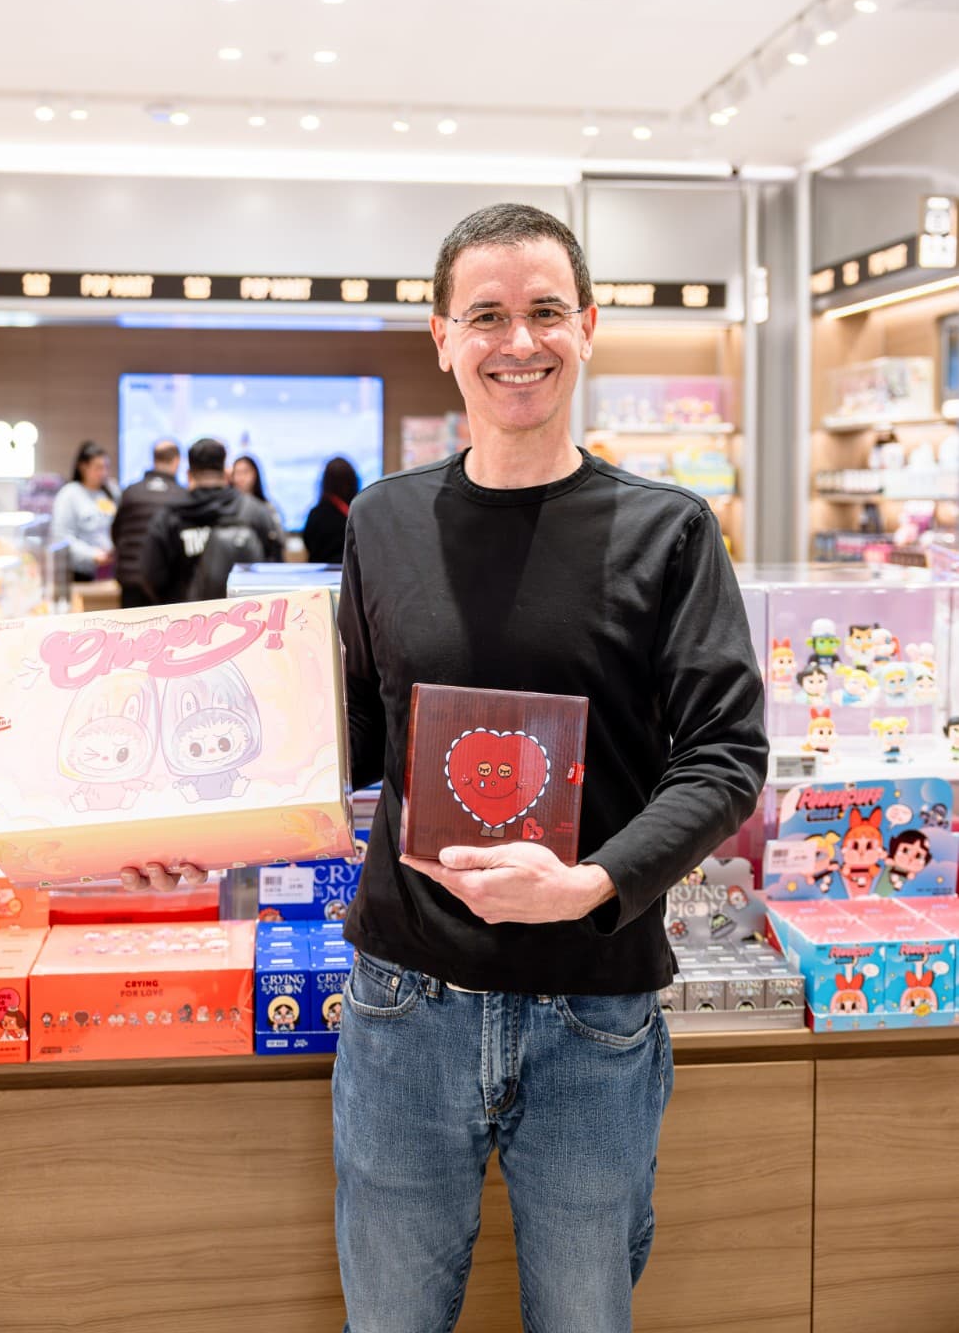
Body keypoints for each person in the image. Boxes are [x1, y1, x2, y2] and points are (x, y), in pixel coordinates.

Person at [122, 203, 767, 1333]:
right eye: (485, 315)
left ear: (587, 324)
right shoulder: (383, 521)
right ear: (440, 336)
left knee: (583, 1312)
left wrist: (591, 882)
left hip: (592, 1009)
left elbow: (721, 755)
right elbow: (354, 739)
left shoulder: (669, 531)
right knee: (390, 1315)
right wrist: (202, 823)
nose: (517, 340)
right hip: (403, 1002)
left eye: (543, 312)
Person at [139, 436, 283, 604]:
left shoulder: (169, 517)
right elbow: (274, 567)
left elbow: (151, 575)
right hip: (244, 618)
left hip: (186, 620)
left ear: (188, 474)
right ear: (226, 472)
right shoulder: (255, 511)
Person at [110, 439, 190, 608]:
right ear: (177, 461)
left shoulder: (130, 492)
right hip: (167, 584)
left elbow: (116, 533)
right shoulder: (182, 496)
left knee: (131, 631)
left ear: (154, 459)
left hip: (131, 579)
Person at [51, 442, 119, 582]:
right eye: (98, 468)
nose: (103, 473)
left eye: (106, 467)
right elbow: (62, 537)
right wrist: (93, 555)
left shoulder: (111, 492)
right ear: (83, 467)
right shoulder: (69, 494)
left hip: (110, 570)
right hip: (80, 573)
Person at [302, 456, 360, 563]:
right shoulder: (359, 515)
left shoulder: (316, 514)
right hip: (353, 576)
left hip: (319, 575)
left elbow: (308, 543)